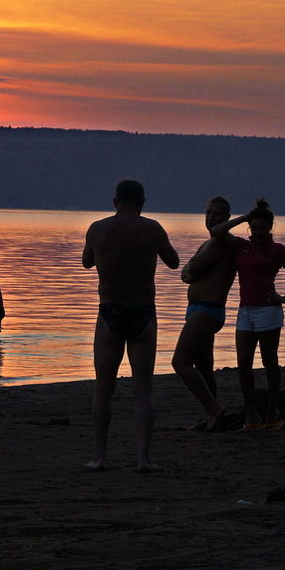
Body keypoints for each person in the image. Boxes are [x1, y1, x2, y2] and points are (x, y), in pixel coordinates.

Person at [82, 179, 179, 471]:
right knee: (143, 390)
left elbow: (87, 262)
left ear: (115, 201)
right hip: (143, 312)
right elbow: (174, 263)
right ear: (142, 202)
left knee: (103, 388)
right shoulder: (152, 228)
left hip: (110, 310)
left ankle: (100, 457)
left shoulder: (97, 229)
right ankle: (143, 459)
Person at [210, 199, 285, 430]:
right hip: (245, 311)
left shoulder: (278, 251)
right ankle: (251, 411)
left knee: (269, 361)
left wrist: (284, 298)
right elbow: (216, 231)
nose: (259, 232)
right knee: (243, 363)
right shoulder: (242, 246)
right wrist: (245, 217)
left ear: (270, 227)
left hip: (268, 312)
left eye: (263, 228)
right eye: (255, 228)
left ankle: (272, 408)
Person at [172, 196, 241, 432]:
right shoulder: (209, 242)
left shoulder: (224, 242)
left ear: (227, 219)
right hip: (196, 310)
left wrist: (191, 270)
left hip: (207, 310)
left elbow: (192, 270)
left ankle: (214, 409)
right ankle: (211, 415)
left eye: (217, 215)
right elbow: (186, 273)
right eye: (209, 213)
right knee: (203, 368)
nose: (211, 218)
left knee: (180, 363)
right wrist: (190, 270)